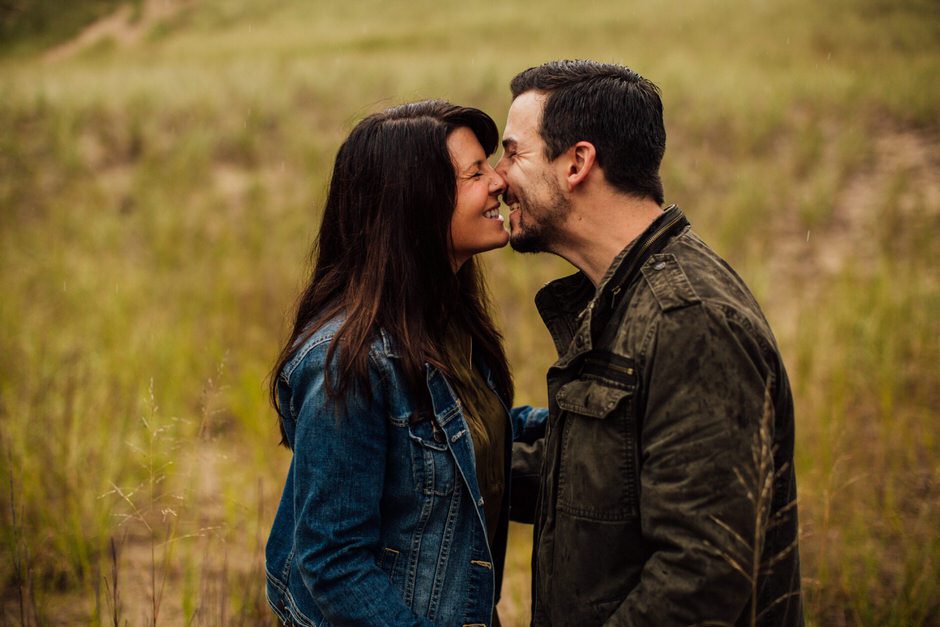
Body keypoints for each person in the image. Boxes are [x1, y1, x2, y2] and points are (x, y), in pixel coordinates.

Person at [498, 60, 803, 626]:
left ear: (577, 163)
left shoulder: (690, 318)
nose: (497, 177)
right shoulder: (622, 296)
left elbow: (703, 571)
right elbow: (597, 480)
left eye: (514, 153)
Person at [264, 100, 546, 627]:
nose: (499, 183)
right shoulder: (348, 365)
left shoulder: (446, 325)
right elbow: (333, 563)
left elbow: (467, 440)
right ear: (417, 204)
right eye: (474, 173)